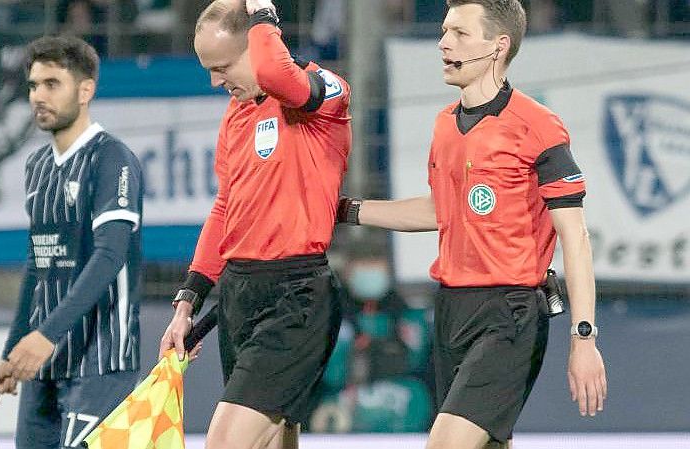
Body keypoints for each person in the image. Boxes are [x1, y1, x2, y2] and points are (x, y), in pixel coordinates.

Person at [338, 1, 607, 448]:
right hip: (451, 311)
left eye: (460, 34)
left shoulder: (537, 126)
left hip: (509, 315)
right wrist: (347, 210)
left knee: (445, 443)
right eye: (445, 31)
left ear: (498, 46)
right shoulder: (445, 124)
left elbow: (574, 237)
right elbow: (440, 211)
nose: (444, 42)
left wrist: (584, 338)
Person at [158, 1, 352, 448]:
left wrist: (263, 10)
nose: (214, 81)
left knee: (225, 442)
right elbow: (225, 208)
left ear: (258, 43)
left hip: (298, 297)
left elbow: (276, 72)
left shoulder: (325, 93)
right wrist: (188, 302)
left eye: (223, 66)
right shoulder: (236, 116)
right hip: (240, 295)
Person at [0, 36, 144, 449]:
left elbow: (111, 256)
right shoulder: (37, 166)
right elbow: (38, 264)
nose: (38, 95)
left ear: (85, 89)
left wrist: (45, 336)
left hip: (102, 362)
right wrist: (13, 347)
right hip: (44, 363)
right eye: (34, 85)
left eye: (52, 83)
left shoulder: (113, 159)